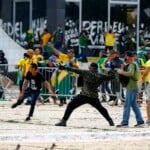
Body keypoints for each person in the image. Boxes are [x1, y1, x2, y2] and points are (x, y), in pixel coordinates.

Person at [55, 62, 115, 127]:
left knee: (70, 105)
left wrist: (64, 68)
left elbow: (75, 70)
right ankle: (110, 120)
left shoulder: (86, 73)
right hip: (93, 97)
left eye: (89, 67)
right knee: (101, 109)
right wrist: (111, 69)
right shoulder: (100, 76)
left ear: (91, 68)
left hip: (84, 95)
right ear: (96, 69)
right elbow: (111, 77)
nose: (89, 68)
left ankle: (64, 121)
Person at [116, 51, 144, 127]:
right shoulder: (133, 64)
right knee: (133, 104)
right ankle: (140, 120)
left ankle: (125, 122)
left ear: (128, 57)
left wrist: (121, 72)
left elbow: (131, 73)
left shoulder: (132, 64)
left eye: (126, 56)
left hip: (131, 86)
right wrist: (123, 68)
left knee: (127, 104)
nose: (125, 57)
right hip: (133, 86)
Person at [141, 51, 150, 125]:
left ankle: (149, 119)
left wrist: (142, 77)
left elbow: (146, 72)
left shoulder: (149, 62)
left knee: (149, 102)